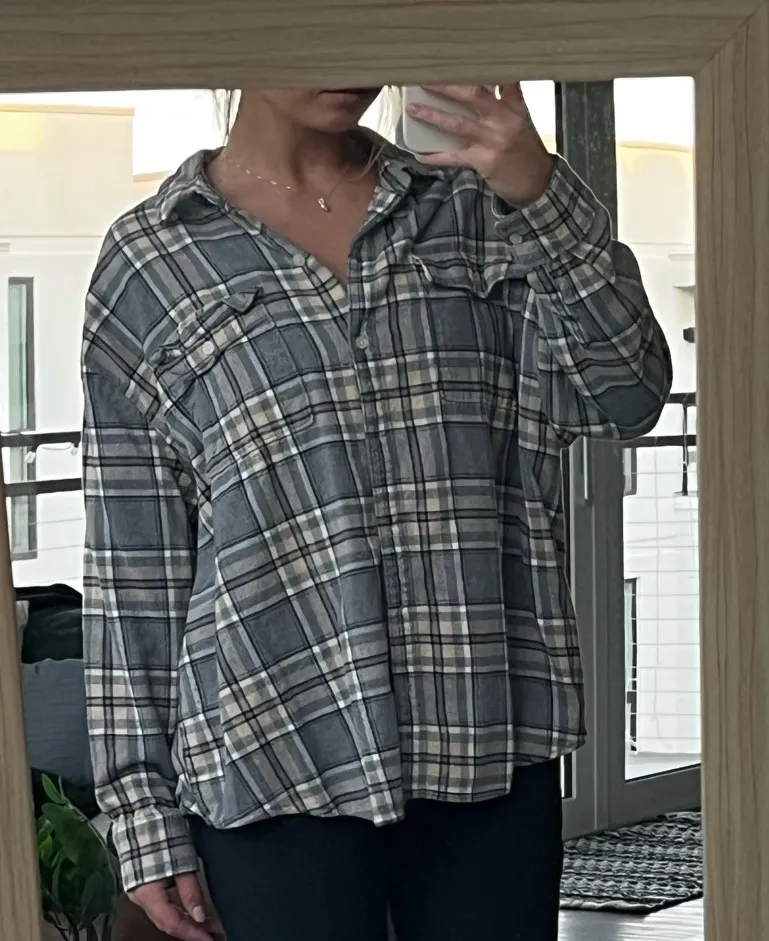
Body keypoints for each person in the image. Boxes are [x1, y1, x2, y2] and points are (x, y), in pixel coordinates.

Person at [81, 83, 672, 941]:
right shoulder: (149, 260)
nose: (343, 64)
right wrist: (140, 807)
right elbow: (133, 559)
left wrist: (542, 194)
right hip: (270, 742)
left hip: (484, 730)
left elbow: (628, 396)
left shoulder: (478, 210)